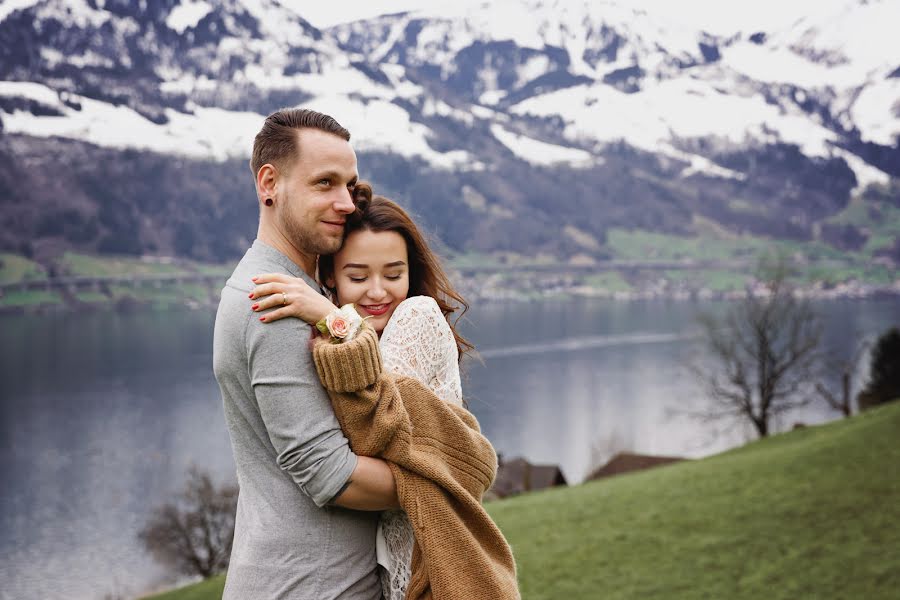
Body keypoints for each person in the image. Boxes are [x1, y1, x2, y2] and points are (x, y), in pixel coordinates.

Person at [249, 192, 519, 599]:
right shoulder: (364, 336)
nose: (377, 292)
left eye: (393, 275)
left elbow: (373, 431)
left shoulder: (417, 317)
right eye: (358, 277)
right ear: (332, 279)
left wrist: (331, 319)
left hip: (434, 566)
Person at [212, 108, 397, 600]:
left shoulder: (296, 291)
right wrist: (447, 478)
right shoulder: (273, 302)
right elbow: (332, 476)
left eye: (349, 184)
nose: (346, 203)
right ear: (269, 183)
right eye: (324, 183)